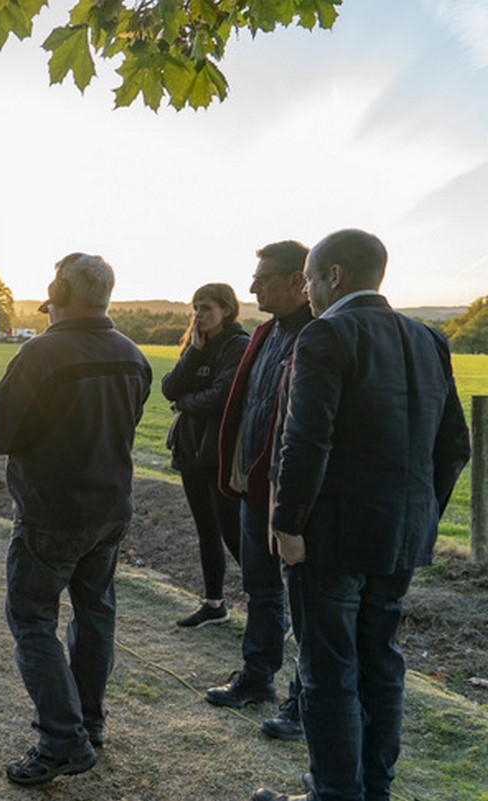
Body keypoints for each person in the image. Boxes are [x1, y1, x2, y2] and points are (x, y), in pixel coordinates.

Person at [251, 229, 470, 801]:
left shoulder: (326, 334)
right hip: (401, 535)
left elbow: (306, 440)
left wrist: (287, 524)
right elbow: (456, 446)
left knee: (328, 671)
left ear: (335, 277)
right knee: (381, 662)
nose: (308, 290)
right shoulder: (429, 337)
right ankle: (373, 788)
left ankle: (333, 792)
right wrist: (418, 511)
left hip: (332, 537)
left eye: (309, 279)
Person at [0, 253, 152, 786]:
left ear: (59, 291)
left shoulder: (40, 353)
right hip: (111, 511)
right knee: (94, 615)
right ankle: (88, 721)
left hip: (52, 516)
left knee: (33, 620)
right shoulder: (133, 354)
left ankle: (63, 739)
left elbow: (3, 438)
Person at [208, 241, 312, 737]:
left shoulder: (320, 336)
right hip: (255, 490)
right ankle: (257, 679)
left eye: (263, 277)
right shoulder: (268, 332)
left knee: (308, 605)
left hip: (296, 498)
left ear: (299, 280)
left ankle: (304, 702)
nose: (252, 287)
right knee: (261, 590)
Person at [161, 283, 249, 628]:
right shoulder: (197, 346)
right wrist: (194, 354)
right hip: (190, 453)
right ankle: (214, 604)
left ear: (227, 310)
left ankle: (271, 606)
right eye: (196, 307)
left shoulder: (237, 346)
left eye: (207, 307)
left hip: (220, 455)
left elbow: (222, 398)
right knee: (206, 532)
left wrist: (184, 403)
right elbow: (169, 387)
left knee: (234, 535)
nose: (199, 314)